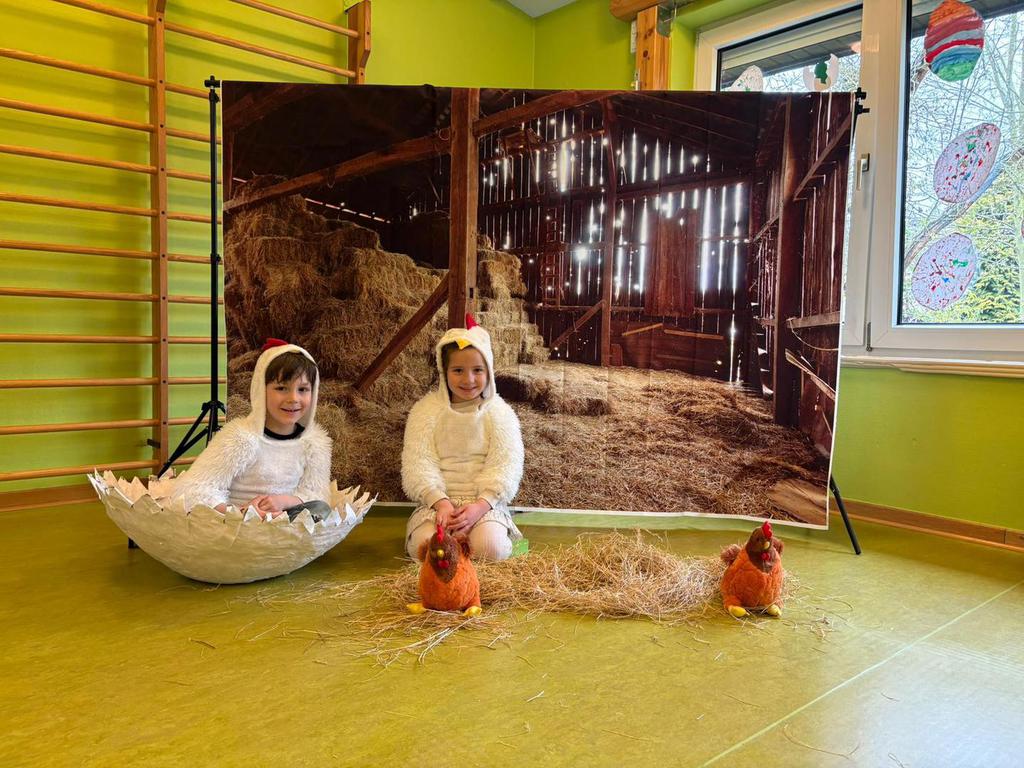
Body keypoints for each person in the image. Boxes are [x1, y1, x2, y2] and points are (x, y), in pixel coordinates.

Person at [167, 339, 333, 521]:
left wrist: (283, 501)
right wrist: (242, 512)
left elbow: (316, 492)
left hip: (283, 519)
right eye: (281, 388)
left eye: (303, 389)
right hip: (239, 522)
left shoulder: (314, 443)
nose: (293, 398)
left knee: (321, 508)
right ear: (261, 390)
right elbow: (192, 489)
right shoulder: (240, 437)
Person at [402, 315, 524, 561]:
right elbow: (418, 463)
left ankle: (488, 539)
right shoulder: (426, 411)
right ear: (444, 371)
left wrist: (480, 506)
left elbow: (506, 466)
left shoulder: (500, 414)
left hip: (483, 506)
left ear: (488, 371)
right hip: (438, 505)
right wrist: (441, 503)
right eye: (458, 370)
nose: (468, 380)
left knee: (490, 548)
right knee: (425, 548)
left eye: (477, 370)